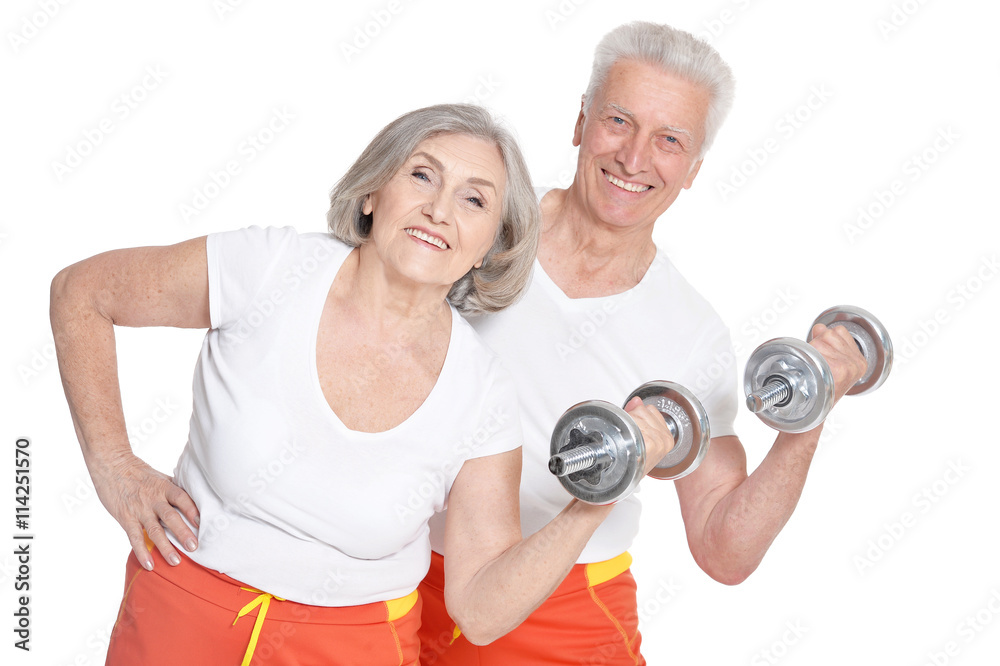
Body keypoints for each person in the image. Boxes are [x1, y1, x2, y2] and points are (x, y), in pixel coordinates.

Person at [49, 103, 674, 665]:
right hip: (180, 616)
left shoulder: (482, 395)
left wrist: (596, 500)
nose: (439, 209)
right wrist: (113, 465)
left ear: (491, 247)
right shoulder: (268, 269)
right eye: (422, 176)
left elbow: (481, 613)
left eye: (474, 200)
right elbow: (83, 294)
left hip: (356, 644)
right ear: (374, 192)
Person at [417, 23, 870, 664]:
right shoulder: (474, 229)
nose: (634, 158)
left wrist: (809, 418)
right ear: (580, 123)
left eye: (670, 140)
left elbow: (723, 552)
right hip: (393, 574)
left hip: (565, 611)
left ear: (692, 169)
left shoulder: (690, 332)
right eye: (619, 121)